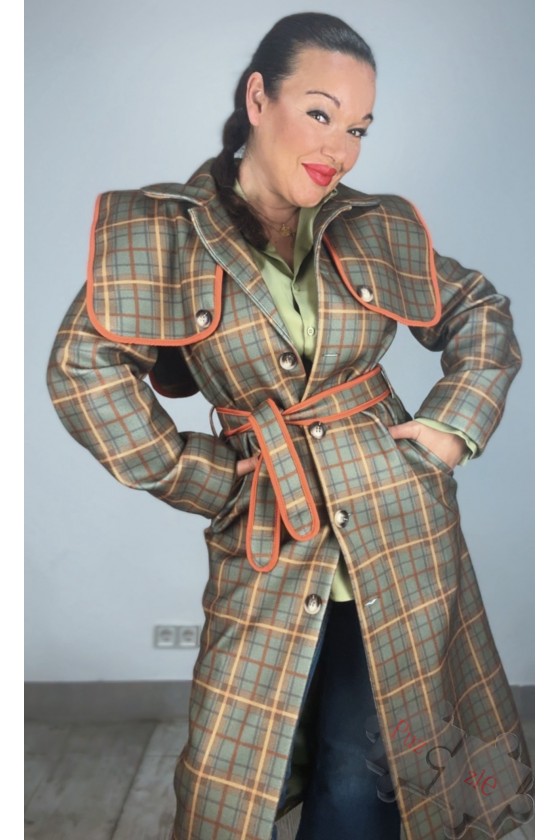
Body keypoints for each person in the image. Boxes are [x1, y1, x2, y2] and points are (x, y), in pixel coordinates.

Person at [46, 11, 533, 840]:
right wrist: (200, 476)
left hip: (398, 526)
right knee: (229, 782)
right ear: (258, 98)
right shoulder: (160, 230)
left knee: (363, 777)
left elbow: (478, 308)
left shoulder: (373, 224)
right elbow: (81, 366)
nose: (339, 149)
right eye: (319, 113)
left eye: (359, 129)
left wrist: (454, 424)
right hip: (269, 527)